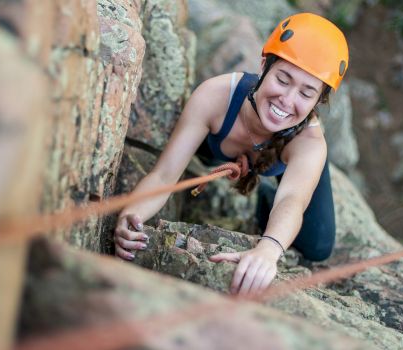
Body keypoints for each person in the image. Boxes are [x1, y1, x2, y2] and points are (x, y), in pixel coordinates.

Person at [114, 13, 349, 295]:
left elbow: (292, 199)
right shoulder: (216, 97)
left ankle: (265, 200)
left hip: (283, 163)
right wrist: (132, 213)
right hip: (217, 145)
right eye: (283, 79)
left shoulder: (308, 143)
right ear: (264, 66)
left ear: (317, 101)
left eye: (306, 93)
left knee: (318, 246)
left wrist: (268, 250)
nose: (287, 100)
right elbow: (165, 174)